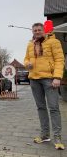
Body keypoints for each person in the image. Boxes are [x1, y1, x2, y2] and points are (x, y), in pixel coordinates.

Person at [24, 22, 65, 150]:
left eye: (39, 29)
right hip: (34, 80)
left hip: (49, 79)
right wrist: (27, 64)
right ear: (32, 31)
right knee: (41, 108)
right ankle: (45, 135)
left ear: (44, 30)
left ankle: (57, 137)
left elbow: (59, 60)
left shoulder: (54, 42)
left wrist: (57, 77)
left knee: (53, 108)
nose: (37, 32)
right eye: (34, 30)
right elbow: (25, 59)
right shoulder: (30, 44)